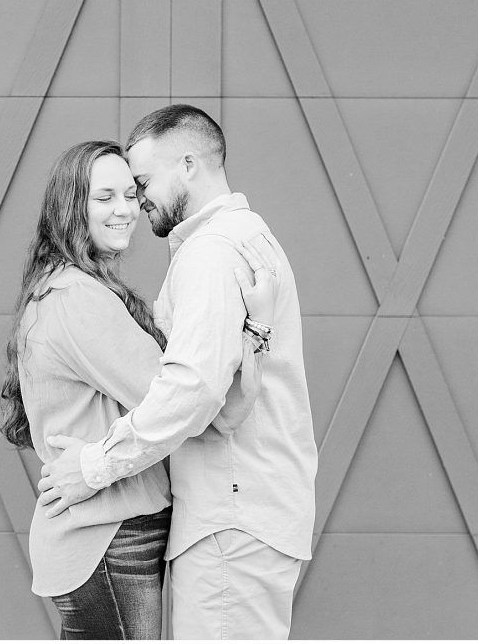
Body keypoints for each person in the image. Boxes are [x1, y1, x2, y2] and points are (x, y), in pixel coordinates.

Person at [36, 105, 318, 639]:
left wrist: (93, 467)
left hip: (230, 515)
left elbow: (193, 387)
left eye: (141, 182)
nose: (137, 201)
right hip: (247, 513)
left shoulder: (210, 254)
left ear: (187, 165)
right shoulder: (244, 236)